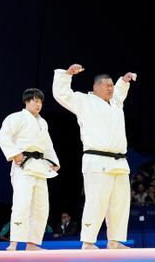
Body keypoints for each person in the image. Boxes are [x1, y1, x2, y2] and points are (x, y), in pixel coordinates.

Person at [52, 64, 137, 249]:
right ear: (95, 87)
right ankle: (88, 242)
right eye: (107, 85)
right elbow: (62, 94)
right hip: (97, 160)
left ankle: (114, 241)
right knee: (96, 202)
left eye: (112, 85)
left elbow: (121, 92)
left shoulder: (115, 102)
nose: (111, 88)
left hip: (120, 162)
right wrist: (67, 75)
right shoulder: (84, 101)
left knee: (120, 203)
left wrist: (124, 80)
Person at [0, 88, 60, 251]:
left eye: (40, 101)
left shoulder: (42, 122)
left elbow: (47, 145)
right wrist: (15, 154)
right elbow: (2, 136)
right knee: (21, 205)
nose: (38, 104)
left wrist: (54, 161)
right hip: (23, 166)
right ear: (26, 101)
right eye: (35, 100)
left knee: (41, 207)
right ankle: (14, 243)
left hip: (41, 167)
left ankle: (32, 244)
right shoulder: (16, 118)